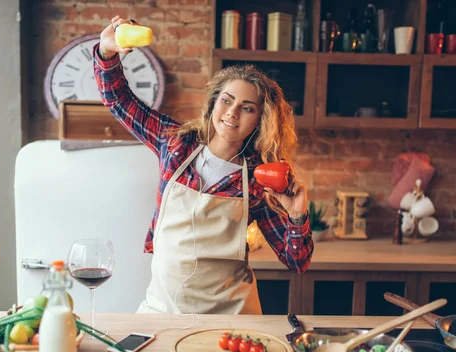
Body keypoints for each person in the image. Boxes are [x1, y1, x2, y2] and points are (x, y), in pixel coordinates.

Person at [93, 16, 314, 315]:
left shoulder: (261, 179)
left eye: (247, 108)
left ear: (260, 120)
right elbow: (118, 100)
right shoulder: (175, 143)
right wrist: (107, 53)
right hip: (163, 310)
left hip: (232, 318)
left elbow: (296, 261)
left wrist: (297, 214)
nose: (232, 113)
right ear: (213, 103)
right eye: (227, 100)